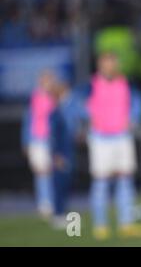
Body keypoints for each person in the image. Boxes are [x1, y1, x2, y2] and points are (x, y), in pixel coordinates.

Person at [83, 52, 141, 240]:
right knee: (101, 182)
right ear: (100, 65)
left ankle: (126, 223)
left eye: (113, 63)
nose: (111, 67)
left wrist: (133, 119)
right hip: (101, 138)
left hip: (121, 136)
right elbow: (75, 105)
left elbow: (136, 103)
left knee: (125, 180)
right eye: (107, 64)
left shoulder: (125, 83)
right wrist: (87, 118)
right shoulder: (90, 85)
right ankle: (100, 225)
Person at [21, 70, 57, 219]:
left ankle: (54, 200)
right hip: (38, 139)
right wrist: (26, 141)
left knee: (53, 171)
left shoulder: (55, 98)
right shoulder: (35, 98)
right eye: (46, 81)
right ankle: (45, 203)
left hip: (52, 139)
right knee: (42, 172)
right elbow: (28, 121)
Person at [48, 81, 80, 229]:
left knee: (65, 181)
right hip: (61, 151)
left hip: (67, 150)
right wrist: (56, 155)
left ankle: (61, 212)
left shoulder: (63, 108)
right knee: (59, 183)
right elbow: (54, 136)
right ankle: (57, 213)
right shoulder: (55, 112)